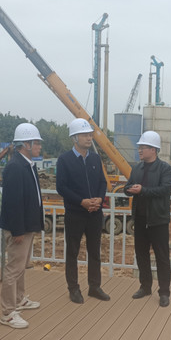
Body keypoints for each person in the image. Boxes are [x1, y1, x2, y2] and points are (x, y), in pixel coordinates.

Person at [56, 118, 110, 304]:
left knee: (94, 251)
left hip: (95, 213)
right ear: (74, 138)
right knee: (72, 252)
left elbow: (102, 182)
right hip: (75, 213)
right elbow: (61, 187)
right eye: (85, 135)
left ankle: (95, 287)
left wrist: (99, 199)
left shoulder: (95, 158)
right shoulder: (65, 160)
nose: (89, 138)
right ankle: (73, 288)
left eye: (90, 135)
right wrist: (81, 202)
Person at [0, 123, 44, 329]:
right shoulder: (15, 167)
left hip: (28, 225)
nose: (39, 147)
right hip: (20, 228)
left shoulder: (27, 165)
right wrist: (17, 230)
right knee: (13, 269)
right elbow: (12, 202)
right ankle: (8, 312)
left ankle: (19, 299)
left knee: (21, 266)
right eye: (37, 143)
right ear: (26, 144)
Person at [124, 131, 171, 307]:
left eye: (142, 147)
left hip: (158, 220)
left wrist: (142, 190)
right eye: (139, 147)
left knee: (162, 257)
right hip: (140, 219)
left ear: (153, 149)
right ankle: (145, 287)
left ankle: (164, 292)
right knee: (141, 254)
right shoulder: (137, 168)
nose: (139, 150)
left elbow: (164, 190)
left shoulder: (165, 169)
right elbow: (128, 186)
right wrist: (128, 189)